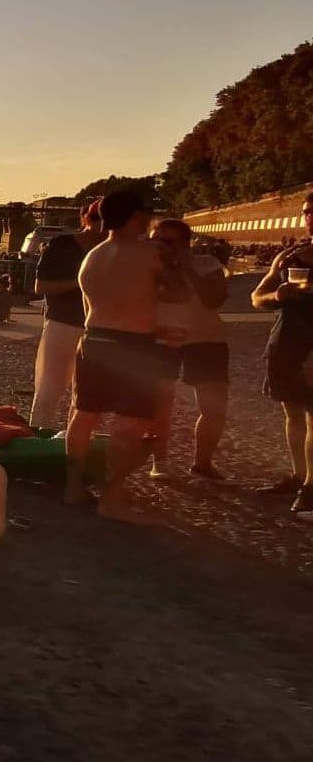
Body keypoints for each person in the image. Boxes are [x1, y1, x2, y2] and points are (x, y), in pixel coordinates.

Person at [63, 190, 164, 525]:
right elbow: (182, 291)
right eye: (146, 214)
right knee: (129, 424)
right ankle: (112, 498)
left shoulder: (93, 256)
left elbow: (87, 308)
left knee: (83, 415)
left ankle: (73, 487)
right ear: (136, 216)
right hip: (133, 342)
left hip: (93, 339)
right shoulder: (149, 253)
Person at [146, 219, 230, 482]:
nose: (160, 246)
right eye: (155, 240)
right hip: (162, 341)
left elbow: (214, 299)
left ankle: (203, 463)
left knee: (214, 407)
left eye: (167, 241)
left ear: (185, 243)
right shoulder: (148, 267)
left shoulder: (207, 264)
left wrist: (187, 267)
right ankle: (160, 462)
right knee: (161, 405)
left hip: (206, 340)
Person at [250, 191, 313, 517]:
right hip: (286, 342)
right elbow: (257, 297)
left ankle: (311, 490)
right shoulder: (290, 257)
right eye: (307, 212)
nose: (310, 217)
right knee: (293, 416)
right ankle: (299, 476)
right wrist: (279, 294)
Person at [30, 200, 106, 428]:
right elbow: (41, 286)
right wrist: (81, 283)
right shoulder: (62, 245)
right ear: (86, 220)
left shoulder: (112, 249)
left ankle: (75, 440)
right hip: (62, 323)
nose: (102, 229)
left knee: (86, 391)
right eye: (97, 221)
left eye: (108, 224)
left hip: (99, 328)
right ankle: (38, 434)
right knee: (50, 386)